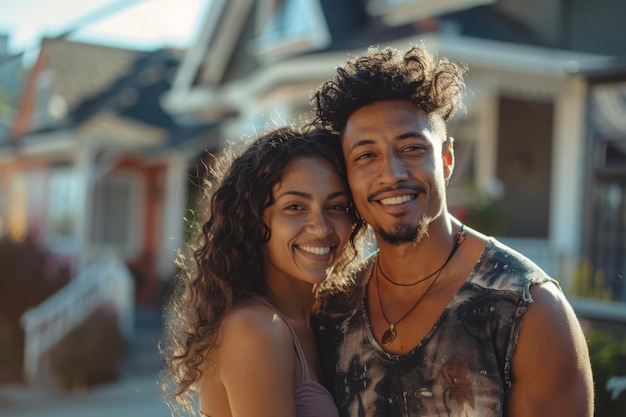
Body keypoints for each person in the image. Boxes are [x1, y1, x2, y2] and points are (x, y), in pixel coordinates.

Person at [310, 46, 594, 417]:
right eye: (366, 155)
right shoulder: (333, 308)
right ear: (347, 176)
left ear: (446, 159)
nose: (392, 174)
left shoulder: (527, 309)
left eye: (411, 148)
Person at [160, 126, 367, 417]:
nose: (321, 227)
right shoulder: (255, 328)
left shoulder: (322, 318)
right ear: (254, 222)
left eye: (336, 206)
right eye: (295, 207)